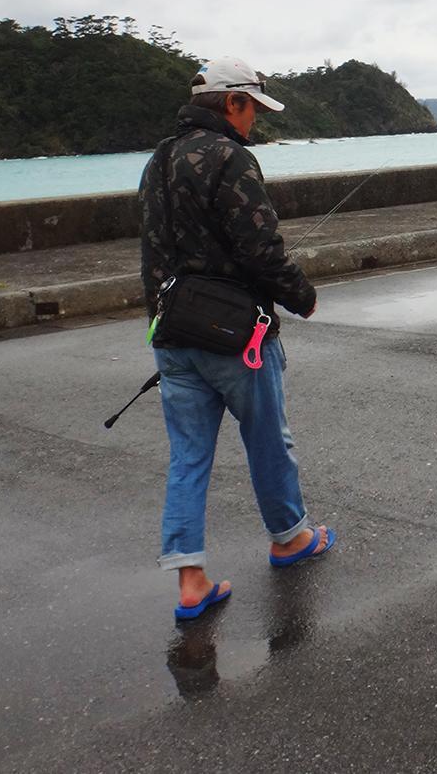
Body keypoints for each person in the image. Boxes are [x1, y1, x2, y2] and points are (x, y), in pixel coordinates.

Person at [139, 56, 335, 622]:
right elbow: (261, 249)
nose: (256, 122)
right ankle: (290, 538)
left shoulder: (158, 160)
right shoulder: (231, 158)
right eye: (253, 109)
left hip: (172, 332)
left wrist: (161, 317)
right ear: (232, 103)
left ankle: (191, 580)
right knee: (268, 438)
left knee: (188, 456)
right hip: (236, 334)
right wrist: (302, 296)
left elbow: (152, 250)